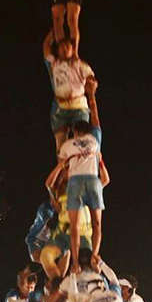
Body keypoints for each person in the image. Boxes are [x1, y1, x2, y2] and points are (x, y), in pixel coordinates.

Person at [47, 77, 108, 265]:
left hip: (92, 180)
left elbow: (96, 118)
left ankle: (94, 255)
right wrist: (54, 192)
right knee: (74, 226)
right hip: (74, 181)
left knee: (97, 223)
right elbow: (58, 170)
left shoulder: (94, 138)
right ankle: (74, 262)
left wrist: (92, 96)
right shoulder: (67, 145)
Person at [43, 31, 96, 152]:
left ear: (73, 49)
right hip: (60, 107)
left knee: (82, 139)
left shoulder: (80, 64)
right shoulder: (54, 64)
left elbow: (91, 78)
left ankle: (81, 165)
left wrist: (91, 84)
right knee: (61, 144)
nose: (65, 49)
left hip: (79, 107)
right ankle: (63, 169)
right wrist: (51, 35)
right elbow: (46, 49)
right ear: (58, 51)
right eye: (62, 47)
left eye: (68, 46)